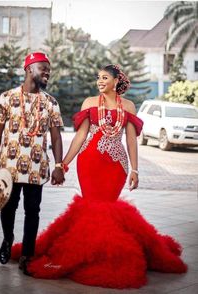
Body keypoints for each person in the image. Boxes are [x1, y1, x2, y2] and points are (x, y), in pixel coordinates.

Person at [11, 64, 187, 288]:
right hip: (90, 162)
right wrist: (63, 164)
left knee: (108, 209)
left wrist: (135, 169)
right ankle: (87, 253)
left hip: (116, 166)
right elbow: (80, 136)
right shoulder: (90, 103)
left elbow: (131, 140)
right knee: (92, 209)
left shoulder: (129, 106)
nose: (100, 81)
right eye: (98, 78)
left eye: (105, 78)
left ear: (116, 81)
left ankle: (106, 255)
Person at [0, 52, 65, 273]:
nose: (47, 72)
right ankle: (8, 239)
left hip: (37, 169)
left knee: (33, 210)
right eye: (42, 68)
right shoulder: (7, 97)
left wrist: (59, 166)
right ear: (29, 69)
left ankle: (27, 255)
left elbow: (56, 137)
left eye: (49, 69)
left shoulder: (51, 103)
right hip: (8, 167)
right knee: (8, 207)